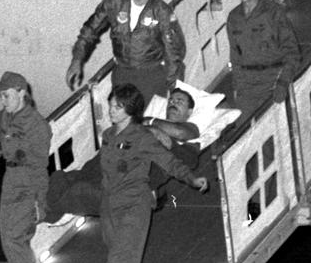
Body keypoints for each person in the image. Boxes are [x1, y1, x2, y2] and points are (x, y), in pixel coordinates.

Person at [44, 88, 201, 222]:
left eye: (180, 101)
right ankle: (43, 212)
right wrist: (150, 126)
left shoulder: (190, 134)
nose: (173, 103)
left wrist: (156, 130)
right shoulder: (148, 123)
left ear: (190, 111)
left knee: (81, 190)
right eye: (171, 101)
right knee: (60, 178)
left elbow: (183, 138)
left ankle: (44, 212)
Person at [99, 84, 208, 263]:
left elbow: (169, 162)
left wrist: (191, 179)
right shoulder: (108, 135)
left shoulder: (143, 137)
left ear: (130, 110)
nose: (111, 111)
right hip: (109, 205)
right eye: (111, 105)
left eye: (117, 107)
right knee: (126, 261)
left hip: (133, 204)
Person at [66, 0, 186, 100]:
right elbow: (89, 30)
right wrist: (77, 59)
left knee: (146, 120)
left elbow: (173, 54)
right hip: (121, 74)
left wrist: (175, 91)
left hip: (151, 76)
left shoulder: (162, 12)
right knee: (120, 117)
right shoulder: (114, 2)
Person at [0, 71, 52, 263]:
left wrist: (40, 201)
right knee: (7, 240)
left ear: (21, 93)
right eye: (1, 96)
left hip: (27, 183)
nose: (2, 101)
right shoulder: (6, 116)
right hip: (9, 181)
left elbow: (40, 167)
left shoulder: (37, 126)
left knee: (15, 240)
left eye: (6, 95)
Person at [226, 0, 301, 119]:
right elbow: (235, 56)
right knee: (245, 135)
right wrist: (237, 87)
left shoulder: (274, 13)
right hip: (247, 87)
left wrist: (283, 82)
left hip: (272, 81)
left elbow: (293, 53)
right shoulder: (234, 17)